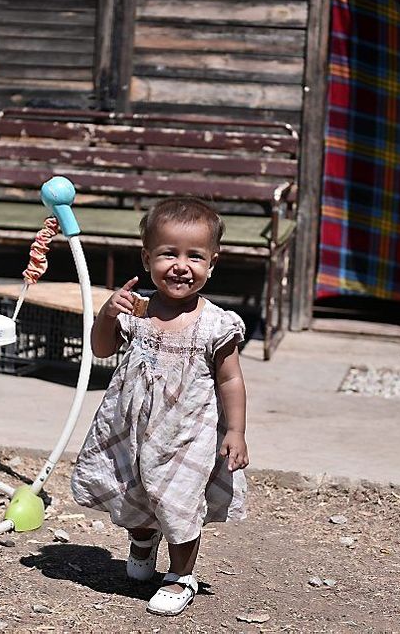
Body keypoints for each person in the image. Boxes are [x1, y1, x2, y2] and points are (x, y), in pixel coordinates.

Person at [71, 197, 249, 616]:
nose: (181, 265)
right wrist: (106, 315)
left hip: (189, 432)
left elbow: (231, 379)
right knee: (134, 491)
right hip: (134, 426)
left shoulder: (216, 324)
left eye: (195, 256)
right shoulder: (138, 310)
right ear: (147, 257)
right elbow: (101, 349)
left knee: (181, 501)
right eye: (169, 253)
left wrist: (236, 432)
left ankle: (180, 575)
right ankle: (143, 538)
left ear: (212, 263)